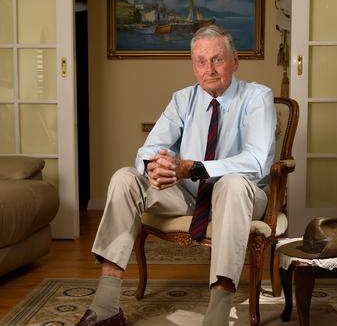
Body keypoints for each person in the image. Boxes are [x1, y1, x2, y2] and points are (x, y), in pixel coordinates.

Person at [75, 24, 276, 326]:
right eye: (201, 61)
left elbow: (256, 161)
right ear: (193, 65)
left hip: (243, 197)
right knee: (125, 178)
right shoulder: (183, 99)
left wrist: (193, 167)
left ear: (234, 60)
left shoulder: (257, 97)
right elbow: (148, 149)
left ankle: (218, 313)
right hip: (190, 197)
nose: (209, 69)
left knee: (233, 184)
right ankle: (106, 305)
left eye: (217, 59)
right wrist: (156, 167)